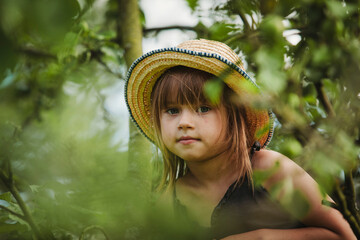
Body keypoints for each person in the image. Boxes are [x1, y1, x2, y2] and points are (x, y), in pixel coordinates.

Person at [125, 39, 356, 240]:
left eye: (203, 108)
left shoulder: (270, 169)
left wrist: (262, 237)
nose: (184, 122)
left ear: (236, 116)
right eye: (172, 111)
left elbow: (346, 234)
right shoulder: (170, 200)